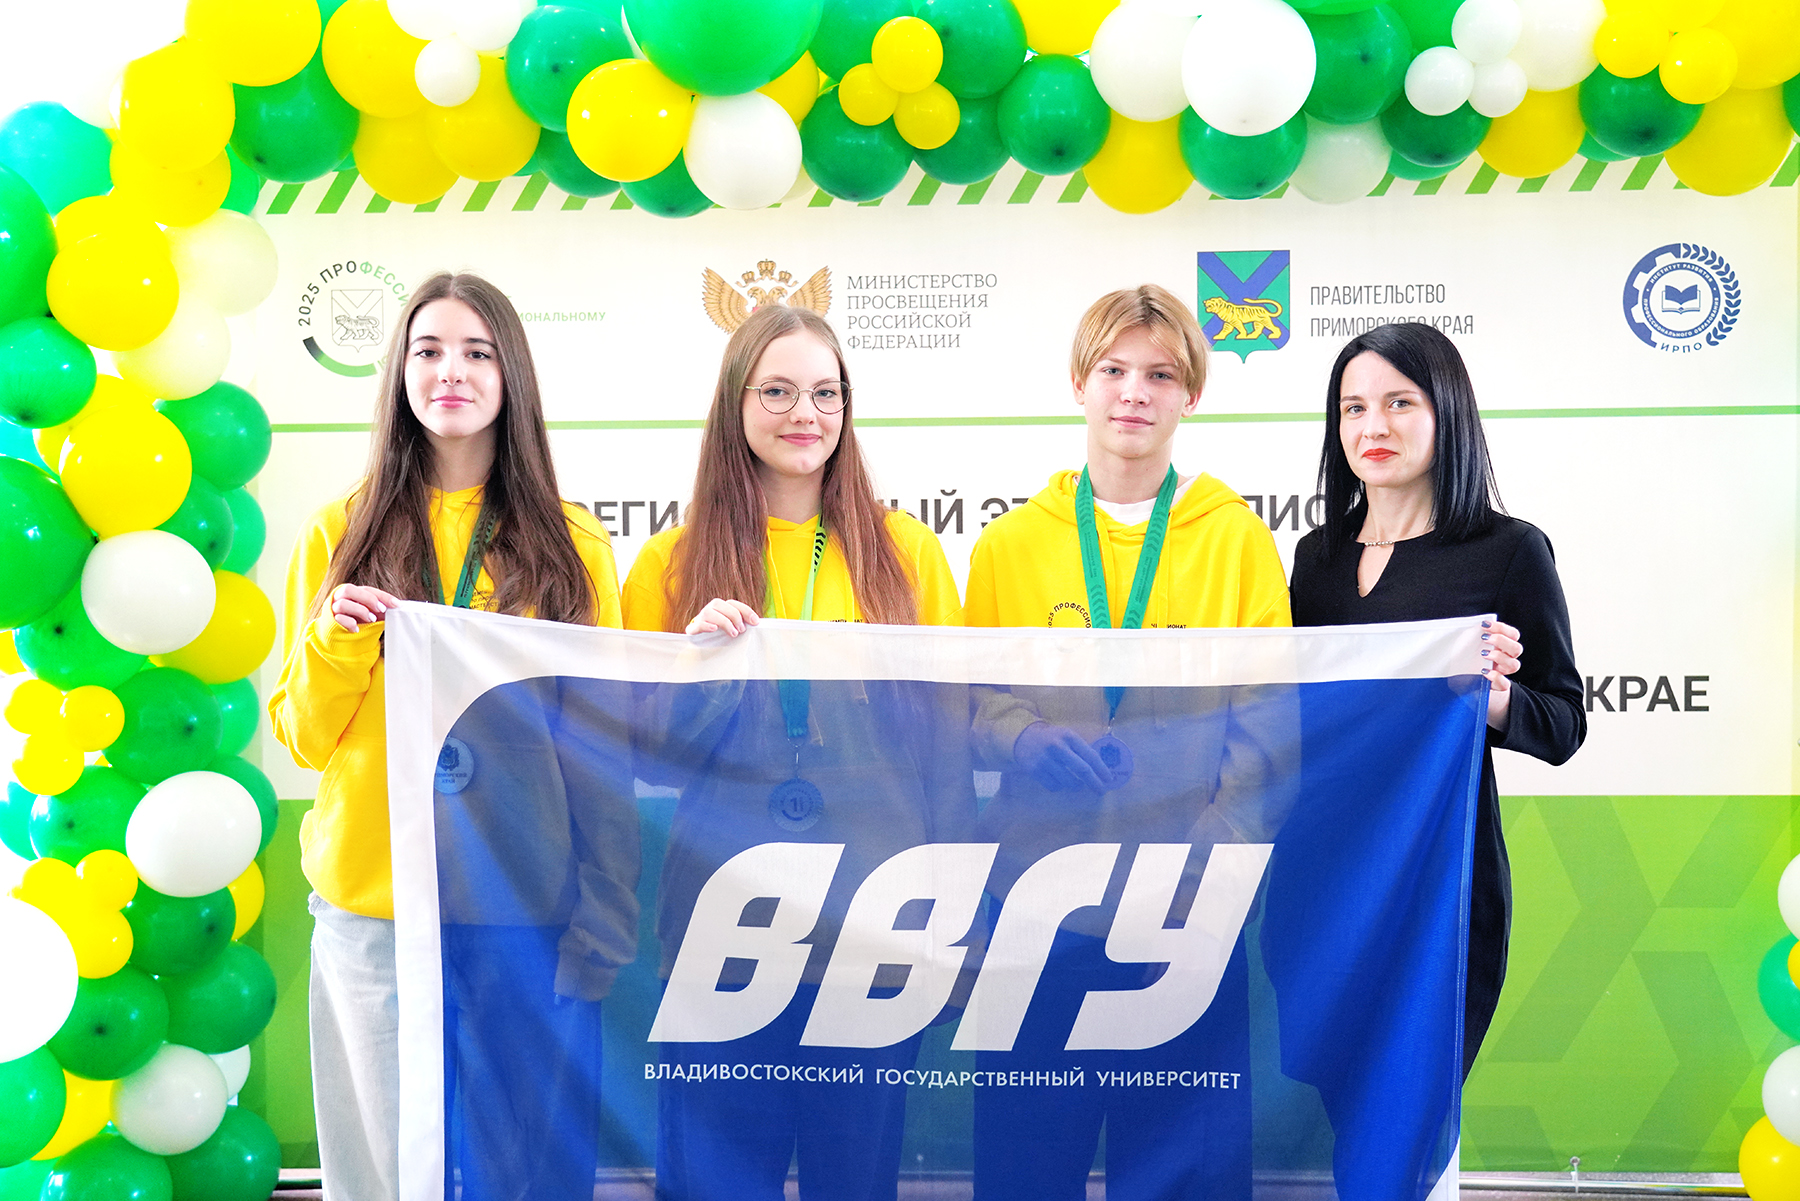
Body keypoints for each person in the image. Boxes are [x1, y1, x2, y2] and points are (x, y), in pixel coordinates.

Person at [267, 272, 634, 1201]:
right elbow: (304, 738)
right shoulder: (340, 531)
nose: (451, 372)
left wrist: (605, 907)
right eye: (428, 350)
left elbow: (601, 747)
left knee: (526, 1171)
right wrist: (337, 643)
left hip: (520, 906)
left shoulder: (573, 544)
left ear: (512, 375)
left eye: (477, 352)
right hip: (375, 907)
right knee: (381, 1172)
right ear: (399, 372)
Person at [621, 303, 968, 1200]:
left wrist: (954, 921)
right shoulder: (669, 563)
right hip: (722, 930)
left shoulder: (909, 555)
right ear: (735, 403)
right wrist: (700, 670)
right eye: (776, 391)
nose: (804, 413)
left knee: (856, 1179)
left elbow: (946, 755)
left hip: (874, 931)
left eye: (825, 392)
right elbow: (645, 755)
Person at [962, 284, 1293, 1200]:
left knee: (1186, 1175)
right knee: (1024, 1172)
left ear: (1192, 395)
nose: (1134, 392)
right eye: (1113, 369)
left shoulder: (1238, 542)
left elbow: (1267, 736)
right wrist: (1024, 737)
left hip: (1187, 914)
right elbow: (968, 702)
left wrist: (1199, 892)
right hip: (1035, 909)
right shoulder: (1008, 546)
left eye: (1160, 374)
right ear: (1079, 383)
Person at [1288, 320, 1585, 1080]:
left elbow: (1562, 722)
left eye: (1399, 402)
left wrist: (1492, 696)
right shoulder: (1315, 558)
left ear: (1445, 411)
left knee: (1412, 1104)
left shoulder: (1508, 549)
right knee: (1329, 1101)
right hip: (1324, 874)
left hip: (1441, 880)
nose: (1373, 427)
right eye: (1354, 408)